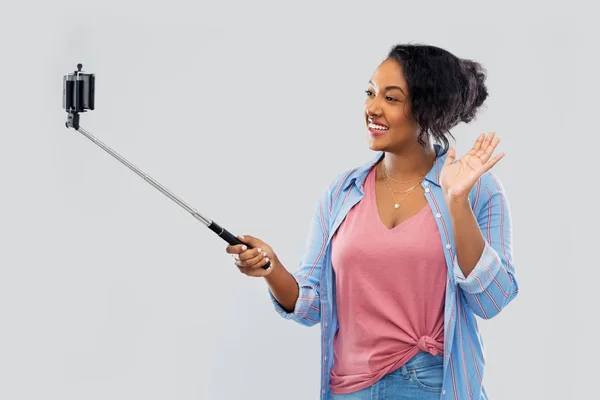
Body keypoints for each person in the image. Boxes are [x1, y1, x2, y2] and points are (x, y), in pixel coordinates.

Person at [226, 43, 519, 400]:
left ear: (429, 109)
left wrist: (456, 201)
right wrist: (272, 268)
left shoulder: (476, 188)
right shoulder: (341, 192)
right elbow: (313, 304)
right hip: (348, 388)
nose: (372, 108)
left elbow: (492, 300)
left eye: (391, 99)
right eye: (370, 93)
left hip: (430, 385)